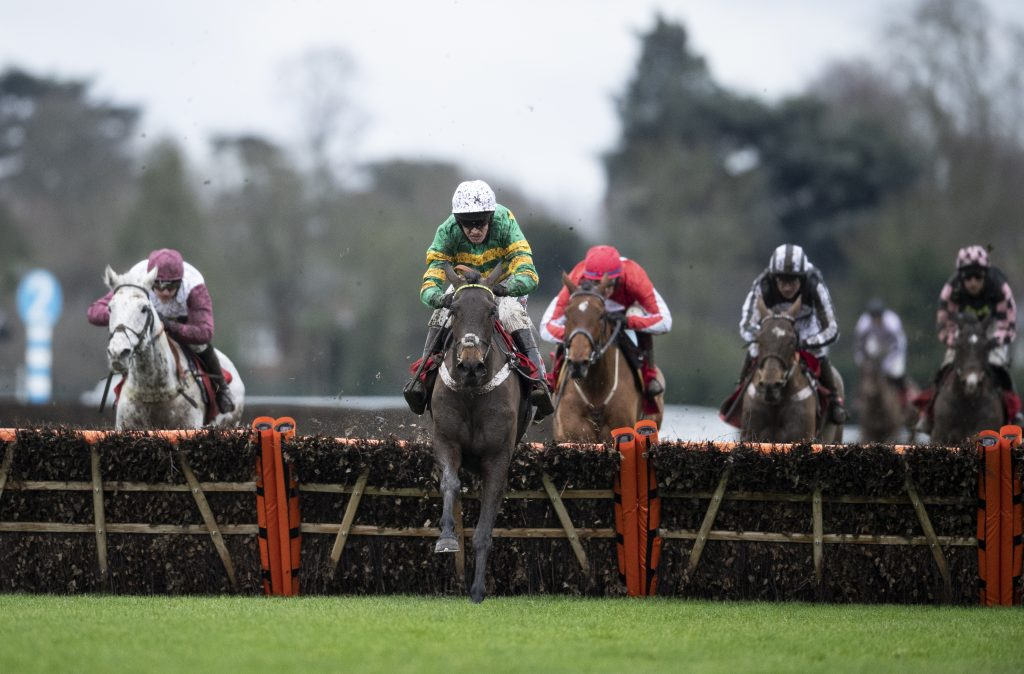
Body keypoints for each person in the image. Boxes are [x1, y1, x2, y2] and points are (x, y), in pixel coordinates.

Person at [403, 180, 554, 420]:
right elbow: (433, 272)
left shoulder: (505, 222)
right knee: (439, 315)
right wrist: (435, 297)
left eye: (480, 223)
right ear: (458, 222)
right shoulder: (447, 231)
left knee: (512, 313)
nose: (474, 230)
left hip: (501, 285)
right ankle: (421, 379)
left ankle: (539, 383)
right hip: (464, 289)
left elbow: (527, 269)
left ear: (491, 217)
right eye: (467, 224)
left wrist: (510, 288)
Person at [87, 248, 235, 413]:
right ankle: (123, 397)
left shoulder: (194, 285)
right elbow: (94, 312)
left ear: (181, 281)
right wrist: (125, 316)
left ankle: (222, 389)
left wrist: (170, 326)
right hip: (144, 324)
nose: (165, 292)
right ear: (151, 280)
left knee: (201, 346)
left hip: (183, 323)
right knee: (128, 345)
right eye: (159, 284)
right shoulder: (136, 278)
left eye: (172, 285)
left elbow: (205, 332)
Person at [539, 244, 672, 400]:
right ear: (587, 278)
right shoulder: (576, 277)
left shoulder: (634, 276)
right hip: (589, 319)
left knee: (635, 312)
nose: (604, 291)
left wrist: (629, 321)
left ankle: (648, 376)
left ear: (619, 277)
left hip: (625, 313)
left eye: (609, 285)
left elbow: (665, 321)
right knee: (574, 320)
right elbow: (546, 326)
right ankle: (553, 379)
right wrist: (578, 335)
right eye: (597, 284)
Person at [738, 243, 846, 423]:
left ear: (802, 279)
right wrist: (766, 337)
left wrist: (806, 342)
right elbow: (746, 324)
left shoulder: (814, 284)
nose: (787, 288)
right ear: (774, 278)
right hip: (772, 328)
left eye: (793, 281)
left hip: (804, 328)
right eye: (781, 281)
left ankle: (835, 400)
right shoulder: (762, 284)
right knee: (754, 350)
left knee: (818, 353)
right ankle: (741, 394)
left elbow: (832, 328)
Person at [929, 244, 1021, 425]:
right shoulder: (951, 290)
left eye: (977, 276)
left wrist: (993, 341)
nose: (973, 282)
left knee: (999, 367)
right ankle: (929, 413)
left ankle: (1014, 414)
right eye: (967, 277)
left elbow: (1009, 322)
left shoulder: (999, 287)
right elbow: (944, 322)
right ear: (960, 278)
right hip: (963, 333)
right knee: (947, 365)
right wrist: (955, 341)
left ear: (985, 275)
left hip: (993, 330)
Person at [854, 298, 908, 400]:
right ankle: (859, 398)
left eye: (878, 317)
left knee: (896, 371)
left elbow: (897, 346)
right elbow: (860, 345)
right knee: (867, 369)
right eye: (873, 317)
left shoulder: (892, 322)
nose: (876, 320)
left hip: (893, 346)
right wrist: (862, 360)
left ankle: (903, 398)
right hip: (877, 342)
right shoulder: (863, 323)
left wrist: (887, 364)